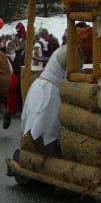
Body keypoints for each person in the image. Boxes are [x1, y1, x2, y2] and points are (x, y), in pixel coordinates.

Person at [21, 26, 93, 156]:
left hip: (43, 87)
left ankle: (38, 155)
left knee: (40, 125)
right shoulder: (73, 53)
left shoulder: (69, 49)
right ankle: (45, 159)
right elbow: (73, 80)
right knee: (47, 128)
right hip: (49, 92)